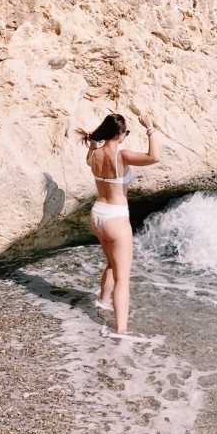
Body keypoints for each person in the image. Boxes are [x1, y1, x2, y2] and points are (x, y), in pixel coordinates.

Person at [76, 111, 160, 338]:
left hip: (98, 215)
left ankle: (103, 302)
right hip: (116, 218)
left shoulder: (93, 154)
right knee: (123, 277)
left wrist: (93, 141)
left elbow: (90, 153)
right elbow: (154, 157)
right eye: (125, 133)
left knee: (112, 263)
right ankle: (121, 331)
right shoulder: (120, 155)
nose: (125, 137)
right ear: (119, 134)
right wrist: (150, 128)